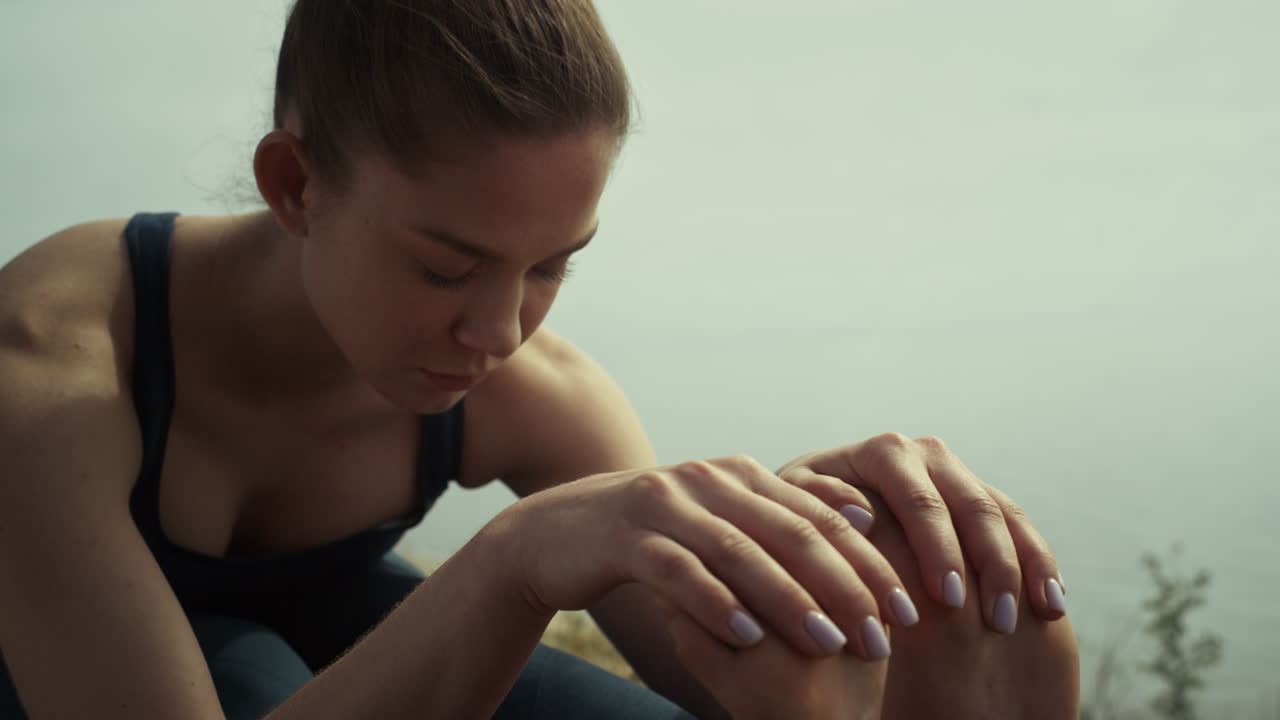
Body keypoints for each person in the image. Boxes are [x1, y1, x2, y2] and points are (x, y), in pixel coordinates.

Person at [0, 1, 1079, 718]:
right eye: (444, 269)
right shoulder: (45, 370)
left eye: (553, 267)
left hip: (345, 620)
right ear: (294, 186)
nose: (500, 333)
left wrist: (851, 573)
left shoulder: (535, 391)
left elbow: (716, 667)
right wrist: (516, 558)